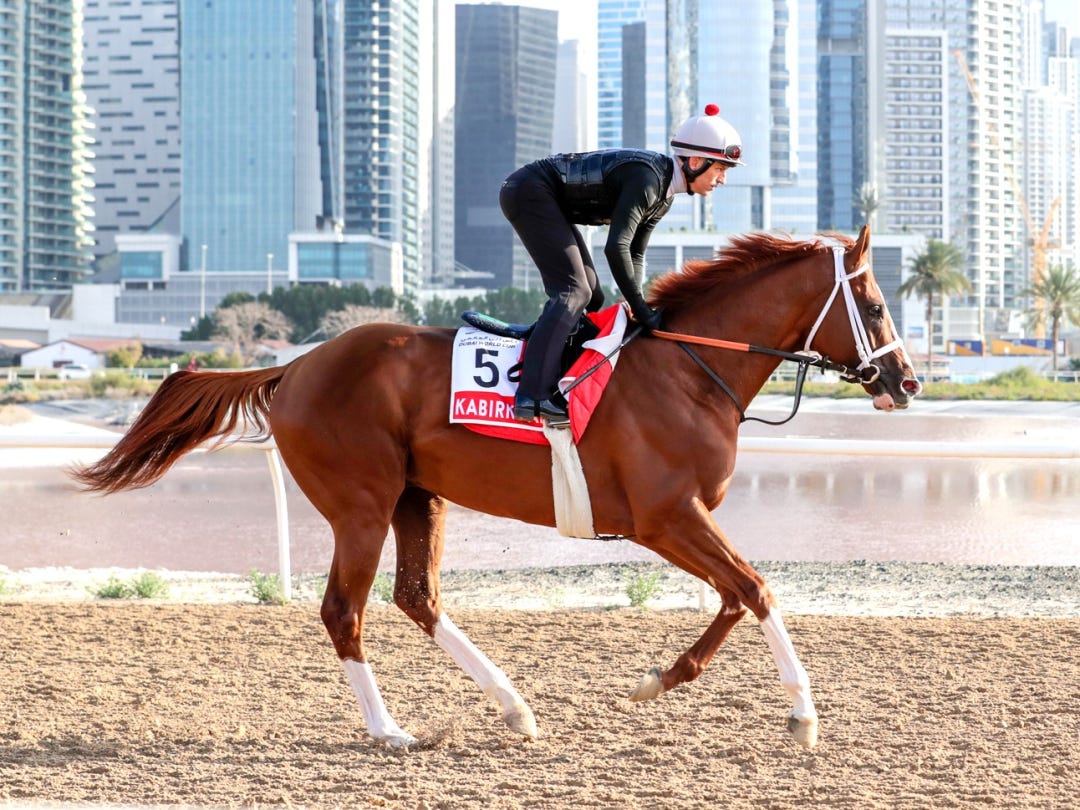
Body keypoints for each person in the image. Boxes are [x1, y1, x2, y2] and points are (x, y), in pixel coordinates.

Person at [500, 103, 744, 422]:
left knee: (593, 296)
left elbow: (635, 253)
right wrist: (641, 309)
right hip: (528, 191)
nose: (722, 180)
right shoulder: (648, 181)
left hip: (542, 195)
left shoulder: (663, 197)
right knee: (574, 292)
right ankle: (532, 396)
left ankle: (560, 368)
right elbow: (616, 248)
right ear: (696, 161)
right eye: (720, 170)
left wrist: (635, 304)